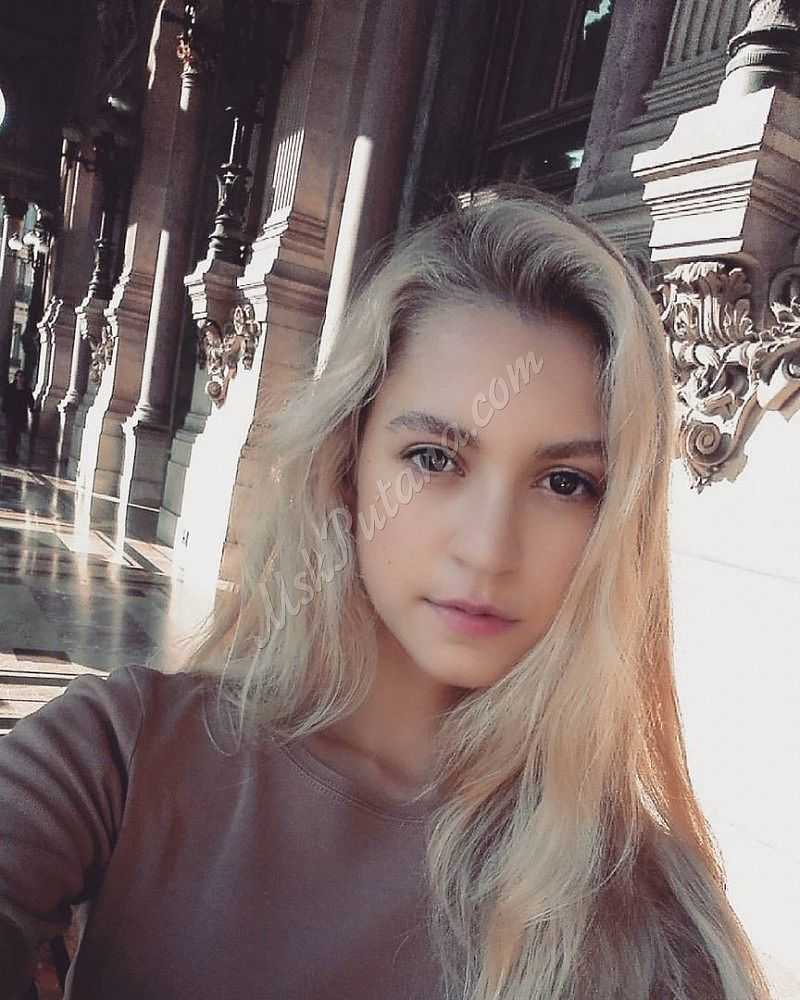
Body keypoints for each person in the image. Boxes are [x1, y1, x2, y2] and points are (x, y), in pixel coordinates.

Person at [0, 190, 772, 1000]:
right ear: (349, 464)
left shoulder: (650, 923)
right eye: (435, 458)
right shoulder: (124, 753)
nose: (487, 549)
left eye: (566, 482)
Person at [1, 370, 35, 465]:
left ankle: (14, 453)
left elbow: (30, 401)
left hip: (21, 415)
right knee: (10, 434)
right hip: (10, 414)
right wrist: (4, 410)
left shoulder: (27, 390)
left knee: (16, 435)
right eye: (18, 376)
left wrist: (32, 409)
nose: (20, 378)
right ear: (16, 377)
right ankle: (9, 453)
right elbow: (5, 399)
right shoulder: (10, 388)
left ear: (24, 378)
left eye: (21, 377)